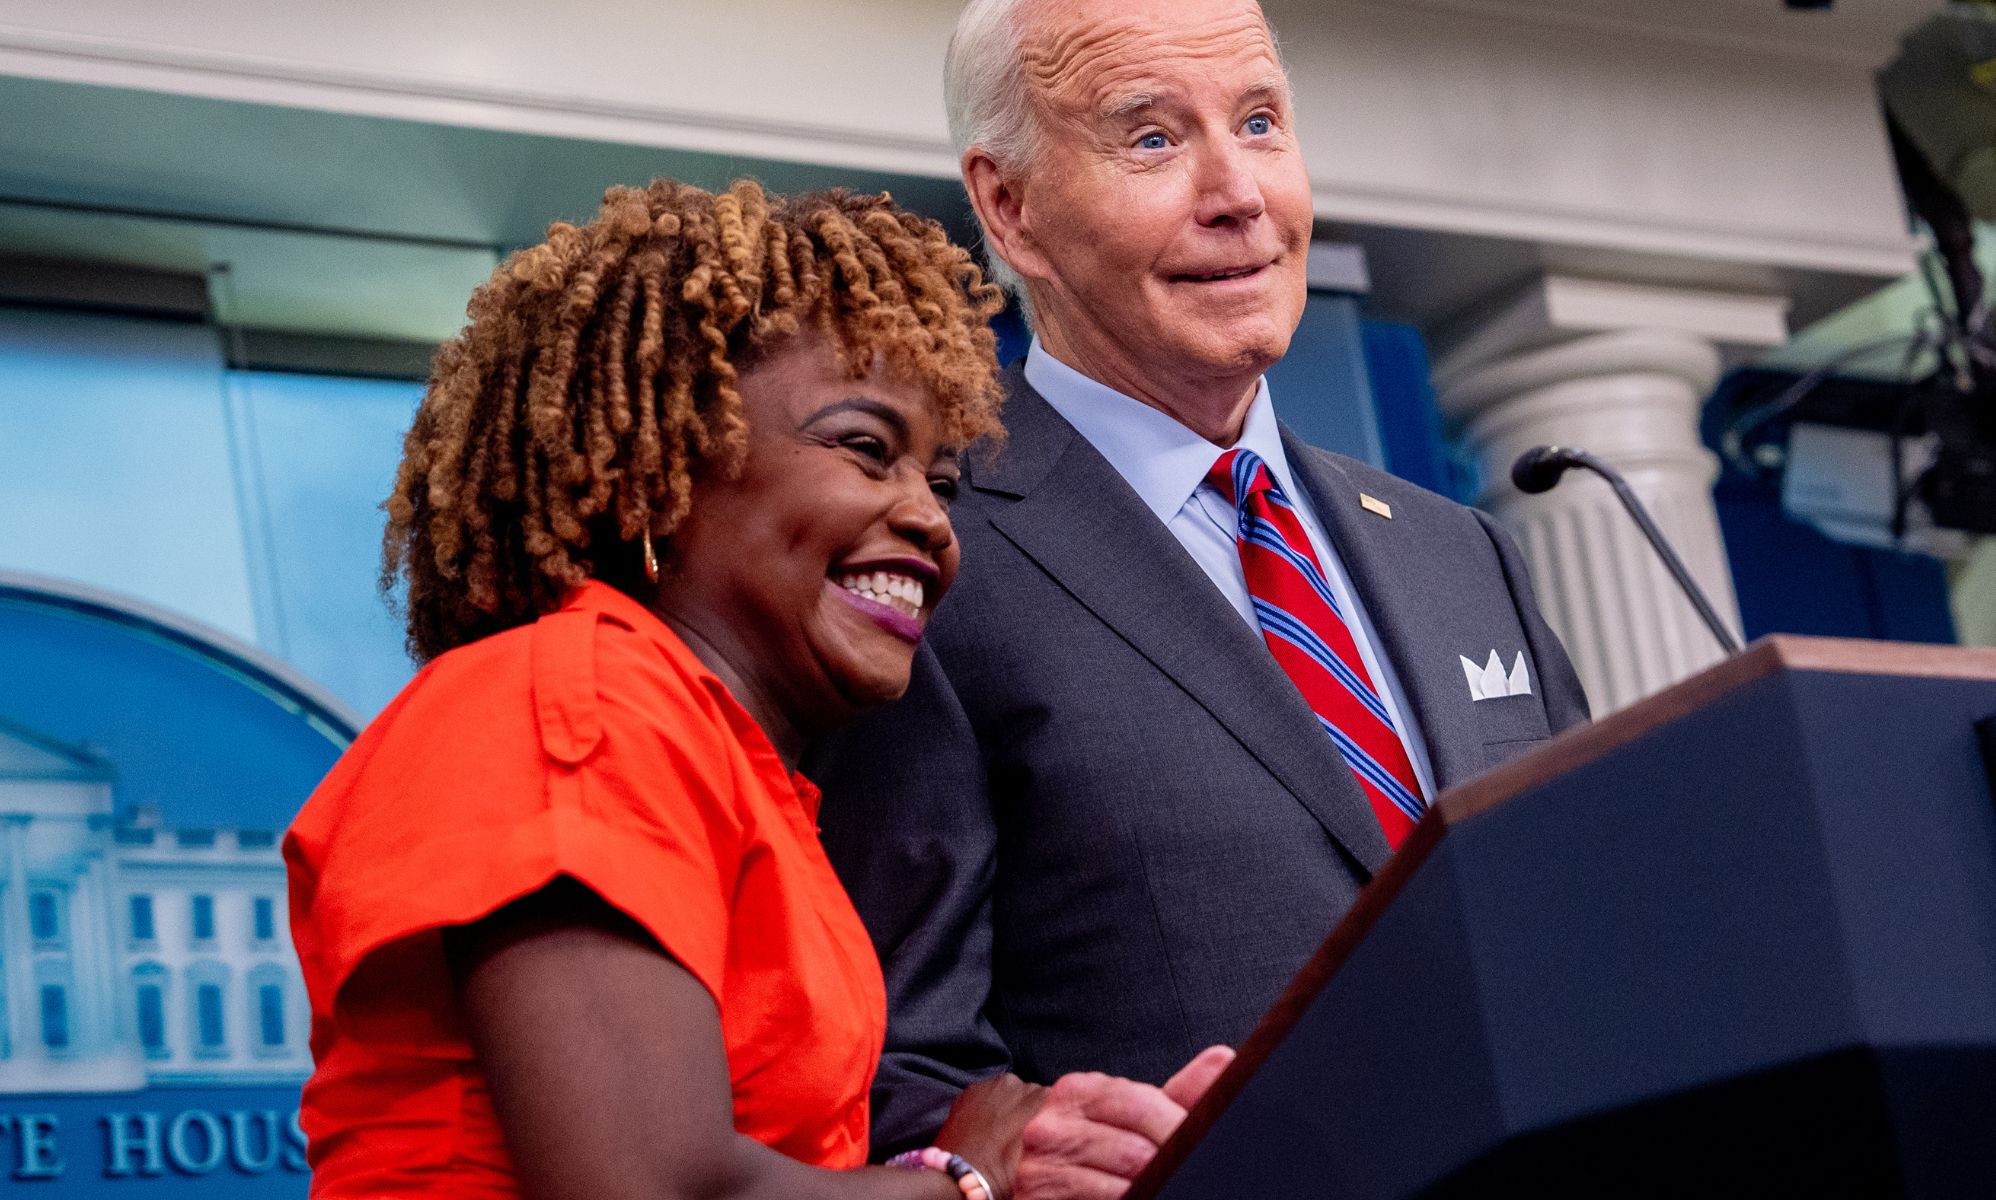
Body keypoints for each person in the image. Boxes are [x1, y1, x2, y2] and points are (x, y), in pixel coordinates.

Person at [284, 179, 1227, 1200]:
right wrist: (970, 1183)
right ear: (659, 473)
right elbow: (650, 1189)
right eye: (864, 449)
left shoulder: (736, 773)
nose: (929, 519)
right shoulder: (575, 700)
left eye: (939, 483)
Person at [807, 0, 1593, 1188]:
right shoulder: (924, 556)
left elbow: (1606, 908)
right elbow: (880, 1055)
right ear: (1008, 209)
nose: (1240, 194)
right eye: (1153, 140)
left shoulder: (1459, 552)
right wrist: (1013, 1144)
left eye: (1261, 122)